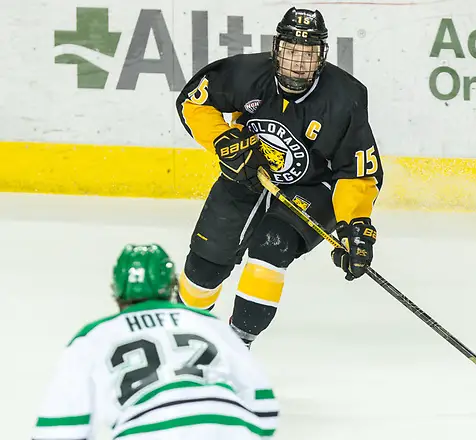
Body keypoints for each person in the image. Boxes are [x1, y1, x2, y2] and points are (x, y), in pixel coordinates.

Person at [174, 6, 384, 348]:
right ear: (276, 49)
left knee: (271, 246)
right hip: (245, 175)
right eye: (290, 51)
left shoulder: (344, 98)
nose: (298, 62)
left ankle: (237, 347)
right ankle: (181, 334)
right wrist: (224, 139)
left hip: (312, 187)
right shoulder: (247, 74)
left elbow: (356, 171)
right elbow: (194, 101)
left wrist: (354, 226)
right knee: (204, 266)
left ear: (322, 56)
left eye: (308, 54)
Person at [32, 244, 279, 440]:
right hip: (233, 429)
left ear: (116, 290)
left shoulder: (93, 337)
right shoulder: (209, 323)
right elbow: (265, 407)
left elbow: (58, 432)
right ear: (172, 286)